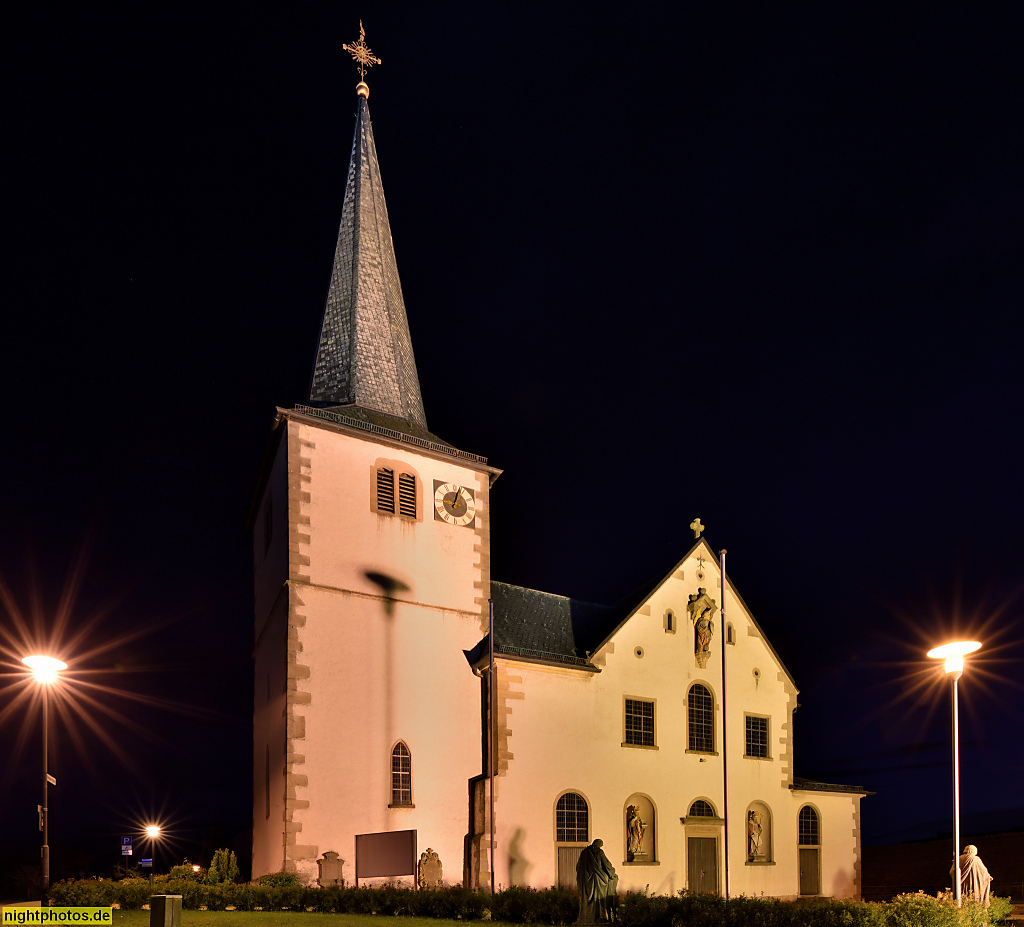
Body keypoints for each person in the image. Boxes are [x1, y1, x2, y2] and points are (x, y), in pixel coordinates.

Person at [576, 839, 618, 924]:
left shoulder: (584, 852)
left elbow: (578, 867)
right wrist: (612, 873)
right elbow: (606, 864)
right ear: (599, 845)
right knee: (600, 898)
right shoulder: (599, 852)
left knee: (587, 898)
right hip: (598, 879)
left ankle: (586, 917)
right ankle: (600, 916)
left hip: (587, 881)